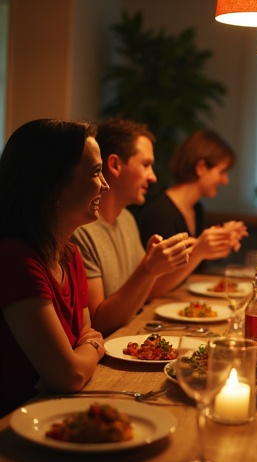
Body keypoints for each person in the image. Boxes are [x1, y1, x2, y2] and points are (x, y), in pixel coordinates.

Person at [0, 119, 109, 416]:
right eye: (96, 173)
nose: (105, 184)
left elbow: (86, 331)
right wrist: (95, 348)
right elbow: (70, 375)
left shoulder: (69, 254)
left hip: (52, 413)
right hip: (15, 429)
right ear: (53, 182)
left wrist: (86, 349)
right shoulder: (16, 260)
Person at [72, 118, 194, 337]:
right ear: (115, 165)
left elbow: (144, 293)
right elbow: (98, 323)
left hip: (131, 335)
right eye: (146, 165)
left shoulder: (126, 218)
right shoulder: (81, 230)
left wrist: (156, 267)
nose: (153, 176)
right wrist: (148, 269)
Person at [137, 129, 248, 277]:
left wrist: (219, 242)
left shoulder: (197, 209)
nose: (225, 181)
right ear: (201, 168)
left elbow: (196, 269)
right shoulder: (160, 213)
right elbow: (155, 284)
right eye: (221, 172)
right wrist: (200, 251)